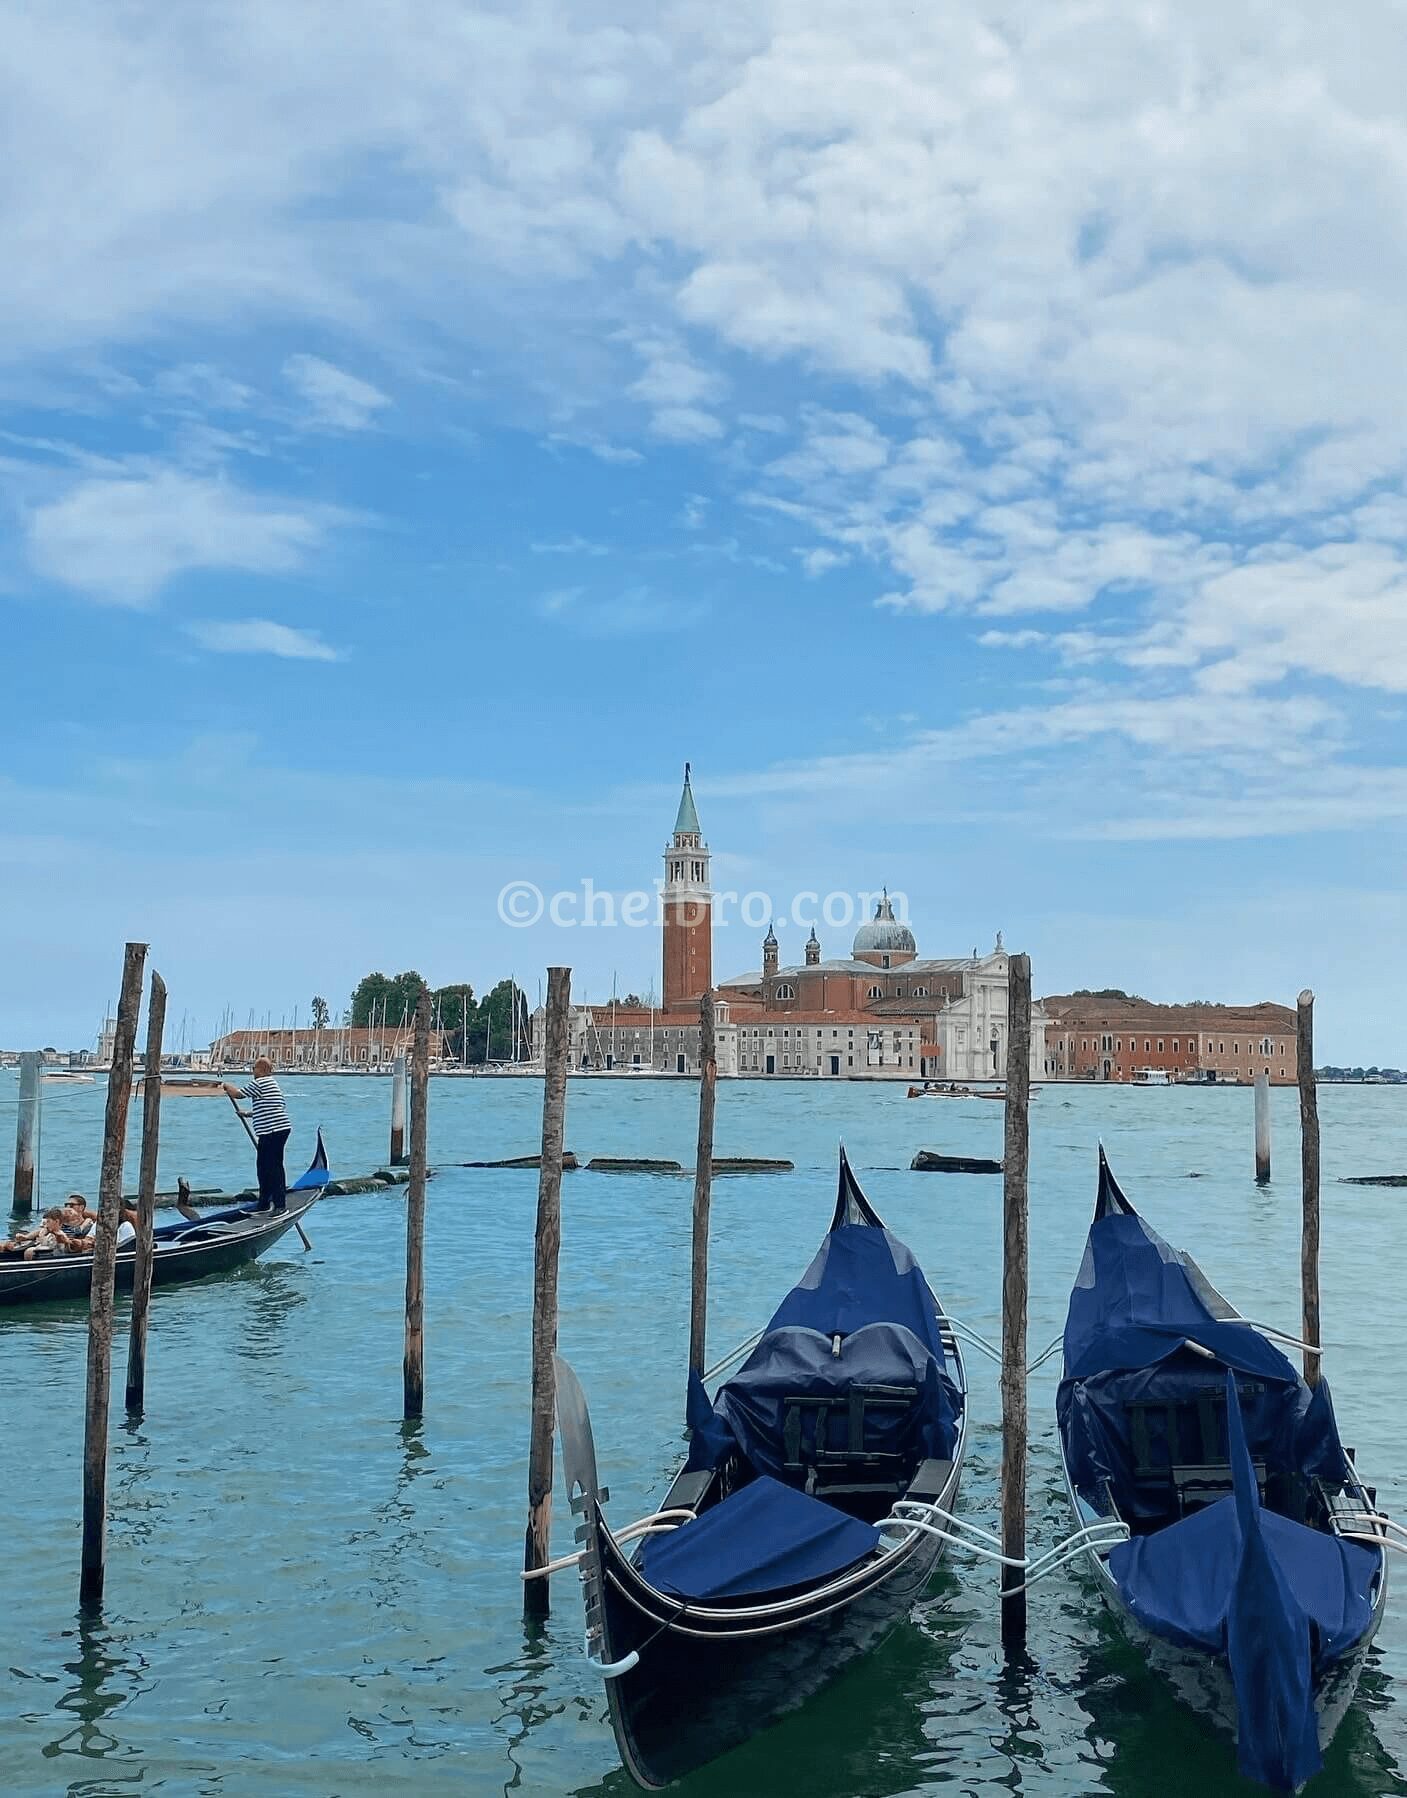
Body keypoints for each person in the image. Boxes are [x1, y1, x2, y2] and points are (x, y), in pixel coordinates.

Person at [223, 1058, 291, 1211]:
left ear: (261, 1069)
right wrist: (247, 1114)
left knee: (271, 1168)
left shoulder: (260, 1082)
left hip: (272, 1131)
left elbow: (238, 1094)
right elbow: (270, 1107)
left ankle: (279, 1205)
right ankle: (264, 1202)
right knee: (264, 1167)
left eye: (254, 1069)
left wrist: (226, 1085)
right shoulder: (273, 1084)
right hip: (279, 1129)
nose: (252, 1072)